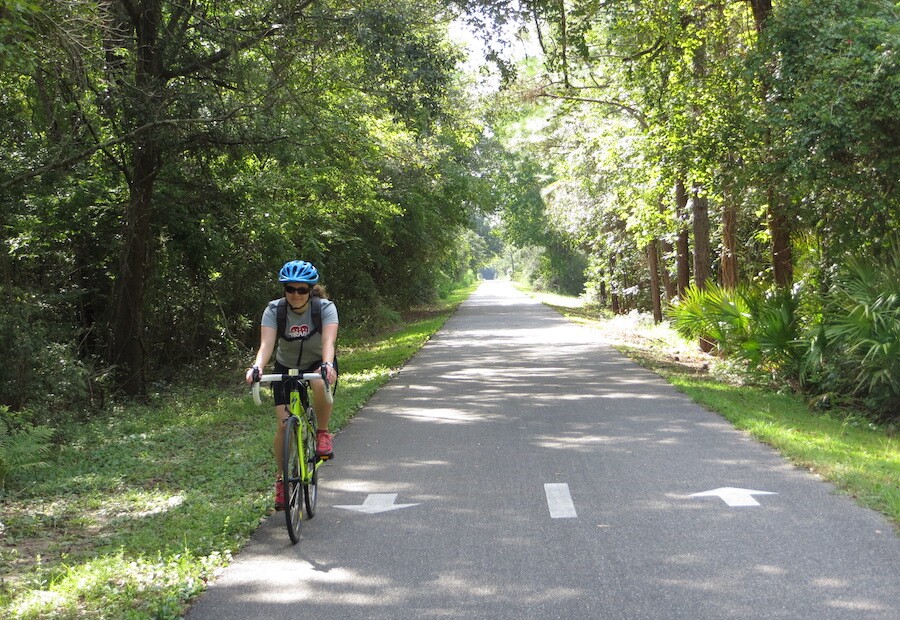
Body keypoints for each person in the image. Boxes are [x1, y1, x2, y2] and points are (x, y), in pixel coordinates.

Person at [245, 260, 339, 510]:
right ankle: (281, 480)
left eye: (302, 290)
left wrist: (327, 365)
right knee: (283, 424)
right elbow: (266, 345)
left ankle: (322, 432)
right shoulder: (274, 310)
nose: (296, 294)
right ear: (284, 289)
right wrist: (257, 367)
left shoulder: (325, 308)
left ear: (311, 290)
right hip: (285, 366)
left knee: (318, 382)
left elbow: (329, 342)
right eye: (290, 289)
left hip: (318, 362)